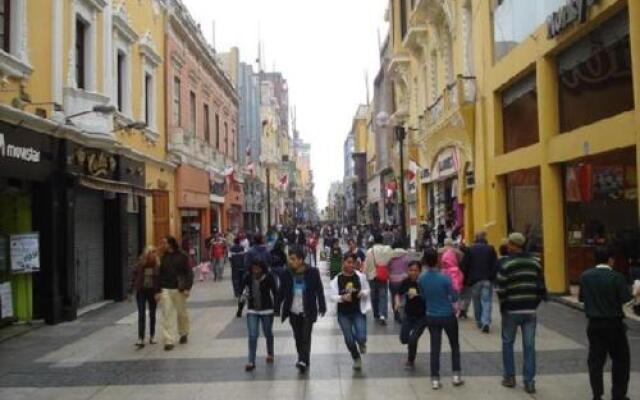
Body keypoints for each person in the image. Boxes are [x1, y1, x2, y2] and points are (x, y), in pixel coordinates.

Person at [579, 247, 634, 400]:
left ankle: (597, 394)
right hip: (614, 324)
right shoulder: (617, 277)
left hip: (594, 324)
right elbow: (626, 300)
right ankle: (618, 394)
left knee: (595, 361)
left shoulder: (585, 276)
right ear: (611, 260)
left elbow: (582, 299)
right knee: (621, 360)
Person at [496, 232, 547, 394]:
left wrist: (503, 306)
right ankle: (529, 382)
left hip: (511, 310)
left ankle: (509, 377)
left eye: (509, 244)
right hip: (530, 311)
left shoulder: (506, 265)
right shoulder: (535, 263)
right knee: (529, 346)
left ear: (513, 245)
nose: (508, 246)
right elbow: (541, 288)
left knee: (507, 342)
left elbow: (501, 288)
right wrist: (534, 304)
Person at [419, 247, 464, 389]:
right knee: (454, 345)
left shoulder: (421, 279)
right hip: (448, 315)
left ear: (425, 261)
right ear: (438, 260)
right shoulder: (445, 278)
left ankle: (435, 379)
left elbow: (423, 297)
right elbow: (455, 296)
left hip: (431, 316)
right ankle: (456, 376)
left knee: (435, 347)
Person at [279, 246, 327, 373]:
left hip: (308, 310)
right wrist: (277, 307)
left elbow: (319, 290)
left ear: (301, 260)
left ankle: (302, 360)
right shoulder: (286, 273)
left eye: (293, 259)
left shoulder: (313, 272)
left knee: (306, 336)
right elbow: (281, 292)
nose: (290, 261)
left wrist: (322, 306)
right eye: (290, 258)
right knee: (298, 337)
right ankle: (304, 358)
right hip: (293, 311)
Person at [329, 253, 371, 371]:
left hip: (358, 311)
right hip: (344, 314)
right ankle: (356, 358)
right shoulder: (337, 279)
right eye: (348, 262)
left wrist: (363, 293)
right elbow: (332, 296)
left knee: (361, 337)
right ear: (343, 263)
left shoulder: (360, 276)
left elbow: (367, 289)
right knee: (349, 339)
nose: (351, 265)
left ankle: (362, 343)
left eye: (353, 262)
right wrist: (342, 298)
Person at [239, 260, 279, 372]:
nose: (255, 271)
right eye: (253, 268)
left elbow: (275, 292)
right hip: (252, 310)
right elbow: (244, 291)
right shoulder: (248, 277)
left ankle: (270, 353)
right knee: (252, 335)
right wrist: (240, 307)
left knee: (267, 332)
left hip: (267, 310)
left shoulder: (269, 277)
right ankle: (251, 361)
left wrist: (276, 308)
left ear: (262, 268)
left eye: (257, 268)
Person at [158, 236, 194, 351]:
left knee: (181, 313)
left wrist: (187, 287)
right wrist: (158, 290)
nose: (163, 245)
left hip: (179, 288)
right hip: (165, 289)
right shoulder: (163, 256)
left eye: (165, 243)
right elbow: (160, 273)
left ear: (170, 244)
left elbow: (189, 273)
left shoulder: (182, 256)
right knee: (167, 314)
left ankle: (183, 332)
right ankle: (169, 340)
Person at [364, 234, 407, 325]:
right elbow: (398, 252)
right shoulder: (387, 249)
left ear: (374, 241)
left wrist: (366, 275)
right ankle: (382, 315)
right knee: (383, 295)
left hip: (372, 277)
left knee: (374, 296)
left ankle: (376, 313)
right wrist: (405, 251)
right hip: (382, 276)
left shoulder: (369, 251)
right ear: (382, 241)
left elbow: (366, 265)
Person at [464, 231, 498, 332]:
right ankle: (486, 321)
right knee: (486, 300)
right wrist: (492, 276)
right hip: (487, 279)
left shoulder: (470, 249)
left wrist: (467, 277)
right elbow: (495, 264)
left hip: (475, 280)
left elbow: (464, 264)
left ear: (475, 238)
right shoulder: (490, 248)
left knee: (476, 301)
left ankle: (479, 321)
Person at [395, 260, 426, 370]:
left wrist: (420, 295)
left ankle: (410, 360)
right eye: (411, 270)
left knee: (413, 339)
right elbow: (398, 293)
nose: (413, 272)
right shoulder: (406, 281)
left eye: (416, 270)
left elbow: (430, 296)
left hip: (422, 316)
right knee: (404, 339)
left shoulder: (423, 282)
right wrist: (397, 303)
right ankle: (411, 345)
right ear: (408, 271)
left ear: (420, 271)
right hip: (408, 314)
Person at [129, 245, 161, 348]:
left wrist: (158, 292)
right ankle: (141, 338)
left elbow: (159, 280)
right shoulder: (139, 264)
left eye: (154, 252)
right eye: (151, 252)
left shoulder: (157, 265)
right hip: (141, 291)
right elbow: (134, 277)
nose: (153, 254)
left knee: (152, 314)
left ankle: (152, 336)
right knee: (141, 314)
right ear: (146, 253)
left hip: (152, 291)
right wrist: (131, 291)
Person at [388, 250, 410, 323]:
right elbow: (408, 269)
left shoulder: (390, 259)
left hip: (392, 281)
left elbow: (388, 269)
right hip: (403, 280)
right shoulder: (406, 258)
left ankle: (396, 314)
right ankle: (402, 314)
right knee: (403, 297)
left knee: (394, 297)